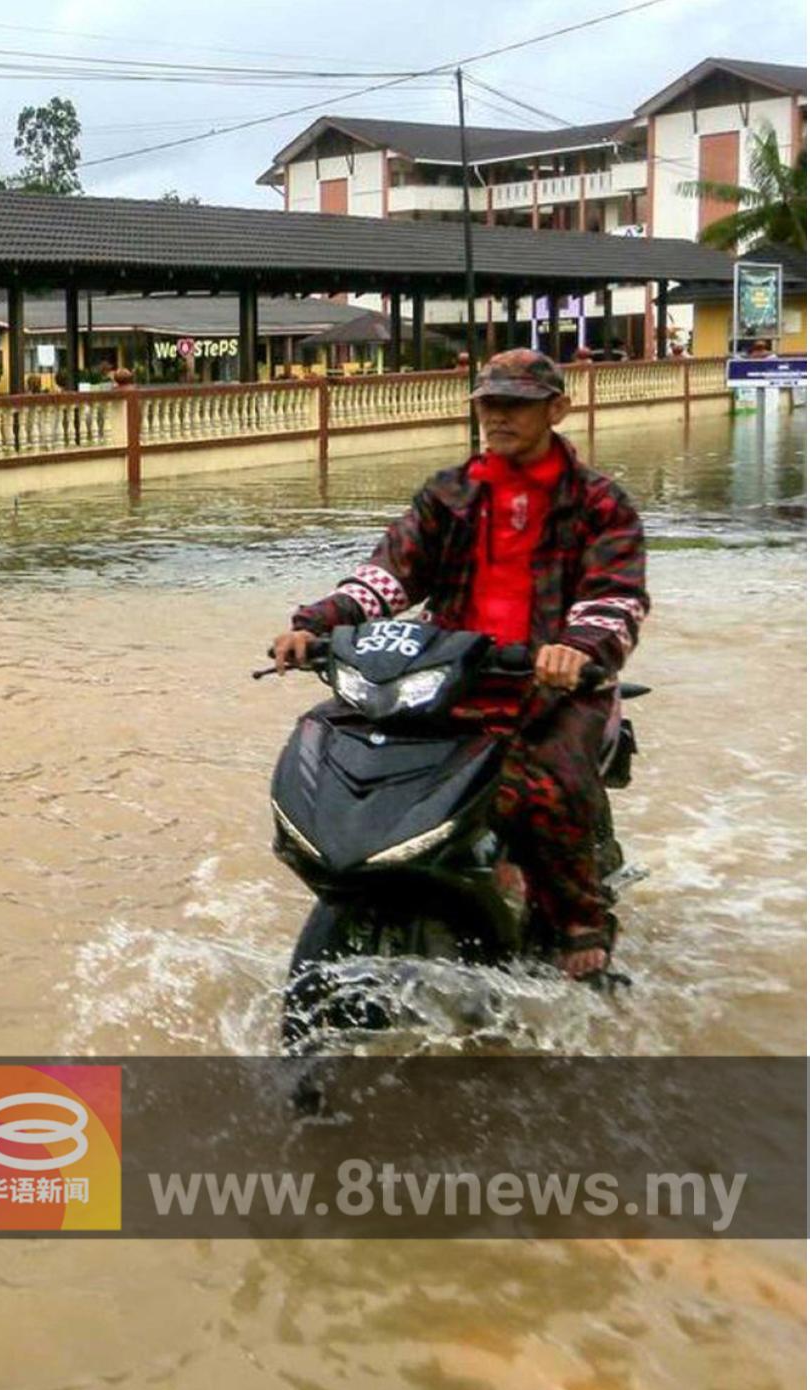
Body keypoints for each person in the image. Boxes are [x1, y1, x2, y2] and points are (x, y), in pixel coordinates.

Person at [268, 350, 650, 978]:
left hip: (551, 685)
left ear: (557, 409)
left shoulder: (600, 502)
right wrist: (316, 624)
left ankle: (582, 921)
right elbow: (389, 575)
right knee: (341, 740)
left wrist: (578, 648)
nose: (498, 416)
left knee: (542, 785)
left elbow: (615, 596)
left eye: (516, 404)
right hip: (443, 676)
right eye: (489, 403)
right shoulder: (449, 493)